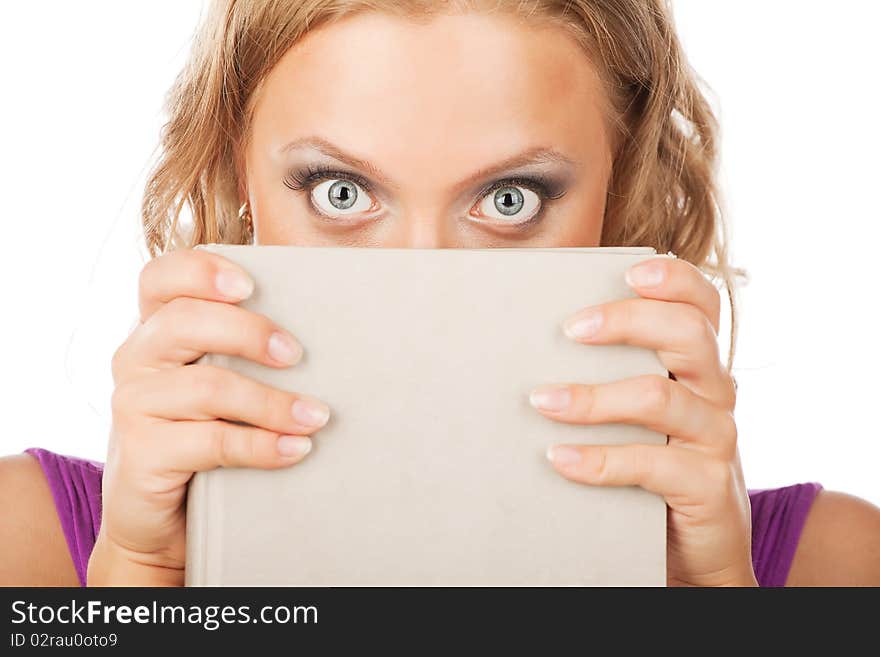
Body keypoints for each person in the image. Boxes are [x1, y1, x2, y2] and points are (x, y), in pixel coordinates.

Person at [3, 0, 879, 587]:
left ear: (623, 193)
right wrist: (137, 581)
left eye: (510, 200)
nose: (417, 280)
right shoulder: (31, 544)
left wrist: (709, 610)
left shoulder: (833, 569)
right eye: (339, 191)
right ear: (240, 179)